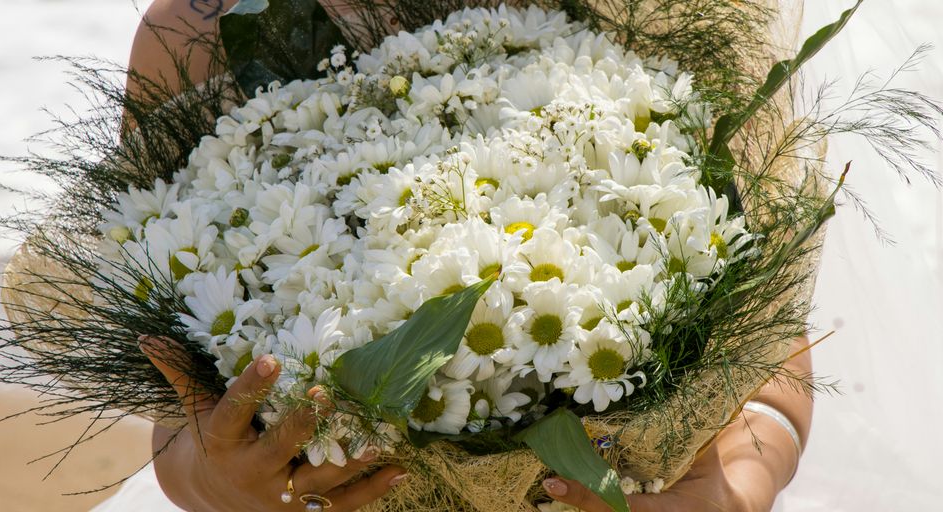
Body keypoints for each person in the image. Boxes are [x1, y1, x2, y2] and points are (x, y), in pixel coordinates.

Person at [127, 1, 815, 510]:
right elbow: (173, 423)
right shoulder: (195, 30)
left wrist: (734, 490)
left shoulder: (674, 14)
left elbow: (770, 352)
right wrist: (218, 480)